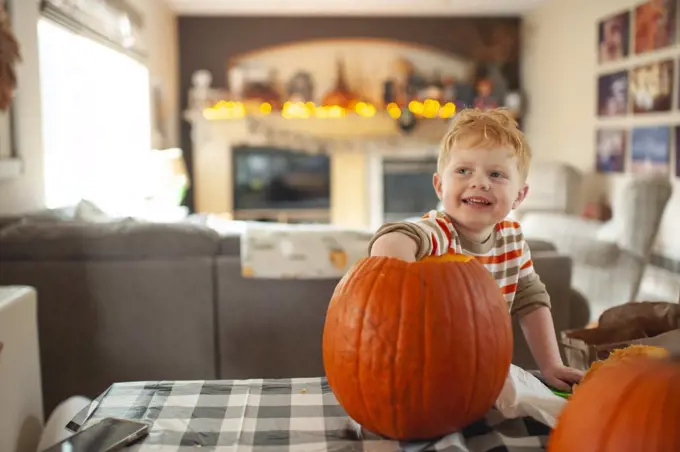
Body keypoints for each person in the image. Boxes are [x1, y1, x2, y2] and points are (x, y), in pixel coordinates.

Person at [368, 108, 583, 391]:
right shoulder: (439, 232)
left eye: (496, 174)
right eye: (463, 171)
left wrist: (551, 365)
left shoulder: (513, 240)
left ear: (519, 195)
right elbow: (391, 239)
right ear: (439, 185)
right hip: (423, 375)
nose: (479, 182)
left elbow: (531, 301)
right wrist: (400, 284)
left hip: (482, 375)